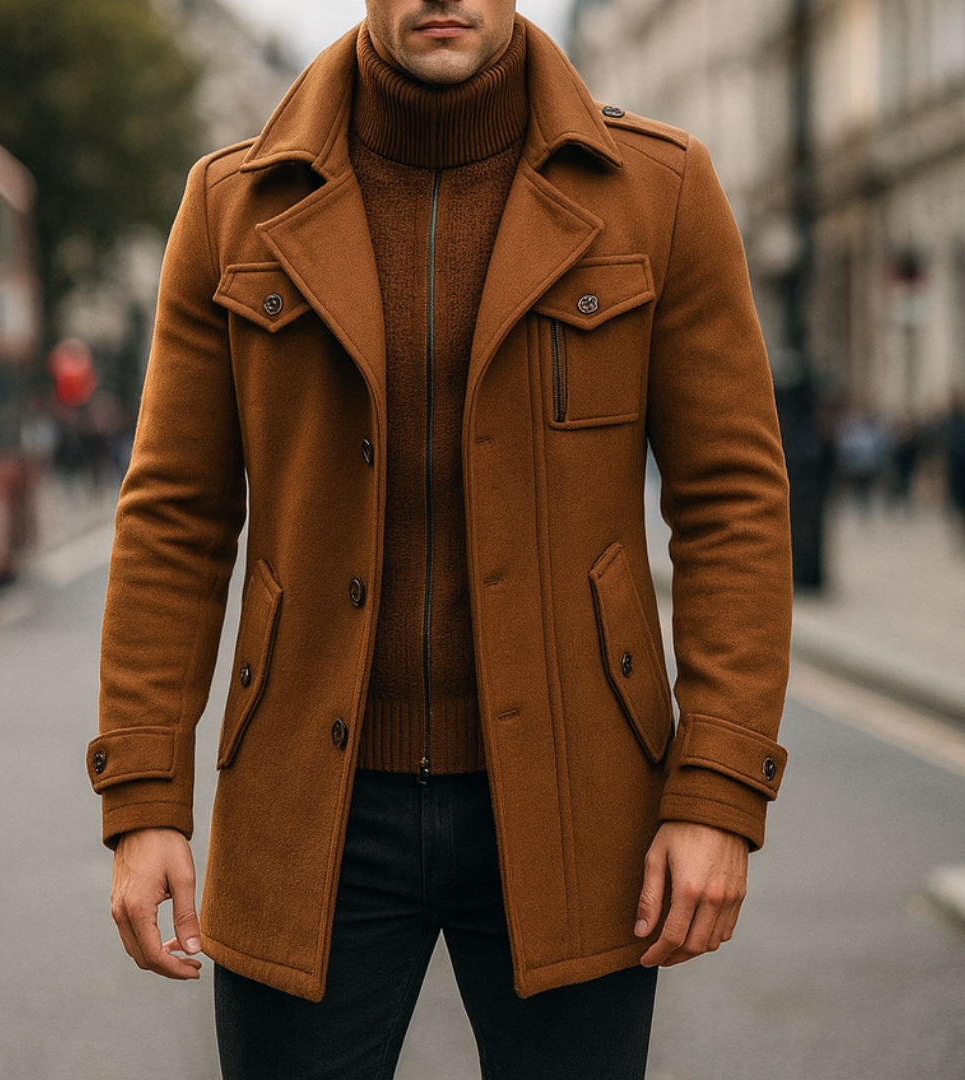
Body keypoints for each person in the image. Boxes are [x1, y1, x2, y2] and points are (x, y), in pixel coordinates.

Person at [87, 2, 793, 1077]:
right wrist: (142, 799)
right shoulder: (232, 201)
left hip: (575, 812)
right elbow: (174, 515)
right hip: (306, 812)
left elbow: (734, 500)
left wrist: (719, 793)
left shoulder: (662, 191)